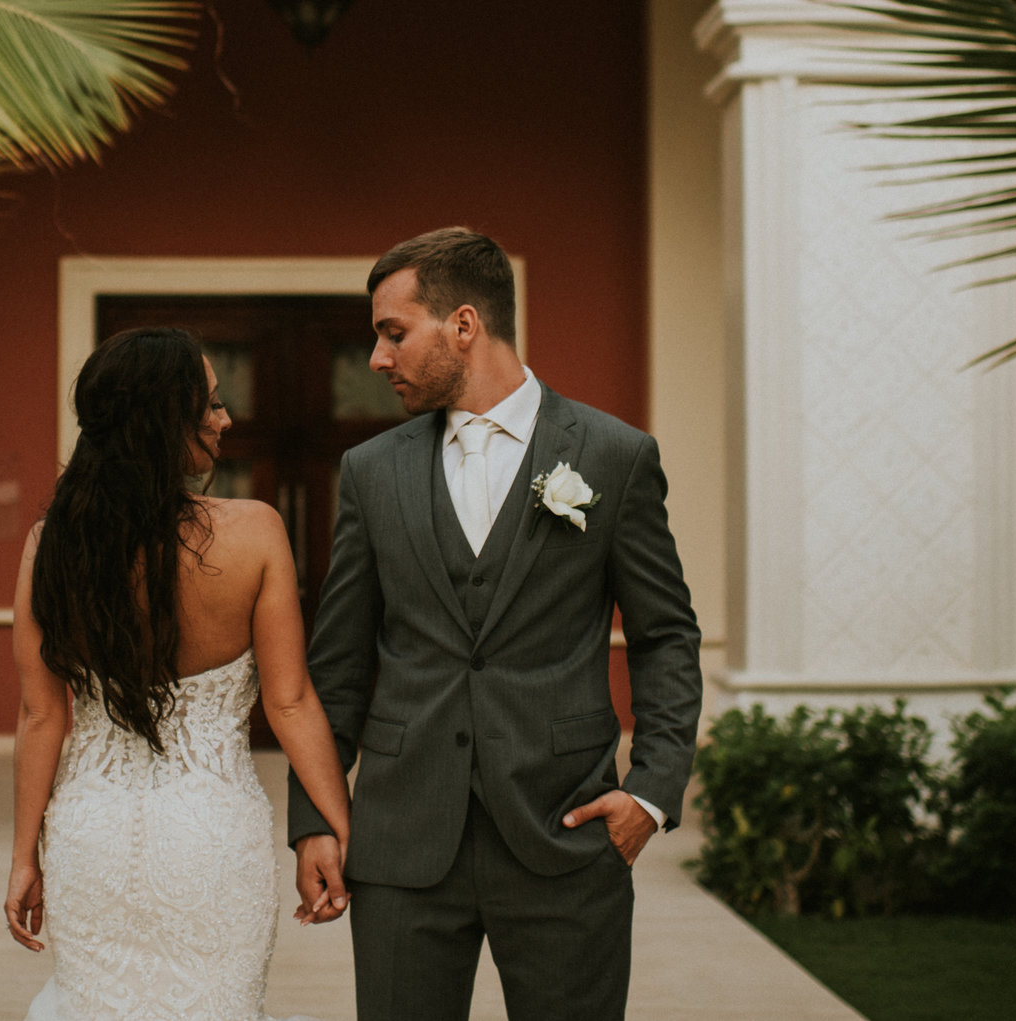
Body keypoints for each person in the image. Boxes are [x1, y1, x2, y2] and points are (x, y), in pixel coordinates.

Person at [286, 227, 704, 1021]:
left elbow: (665, 637)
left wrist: (649, 793)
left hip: (565, 835)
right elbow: (336, 665)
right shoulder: (371, 472)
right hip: (402, 843)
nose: (377, 358)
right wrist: (314, 816)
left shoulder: (615, 456)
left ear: (465, 325)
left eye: (393, 332)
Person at [7, 325, 354, 1021]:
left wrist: (24, 857)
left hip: (89, 835)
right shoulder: (256, 532)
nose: (227, 419)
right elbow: (289, 702)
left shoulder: (51, 545)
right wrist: (340, 830)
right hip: (212, 835)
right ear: (167, 419)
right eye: (213, 403)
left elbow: (42, 715)